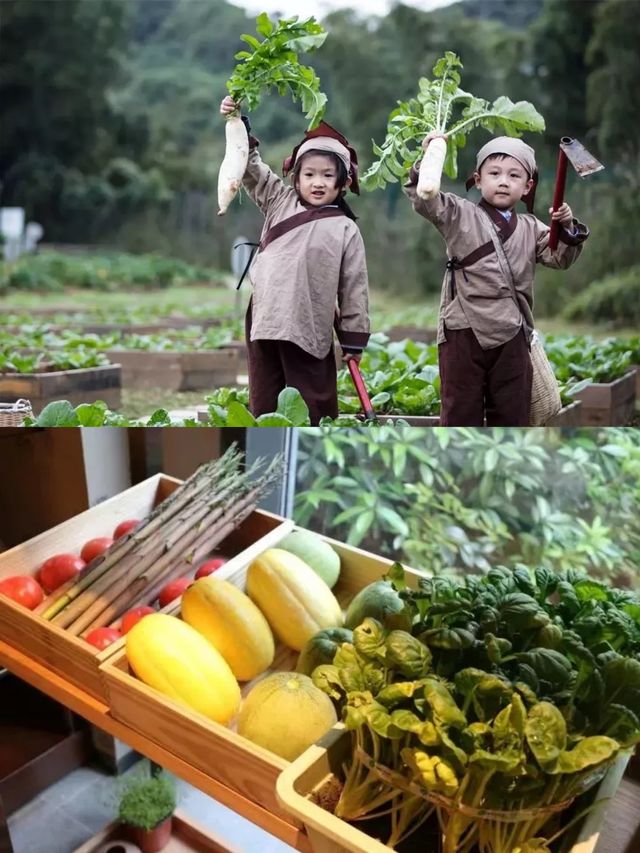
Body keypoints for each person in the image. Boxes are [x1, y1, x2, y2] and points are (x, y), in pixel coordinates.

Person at [404, 134, 589, 426]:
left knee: (511, 416)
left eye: (514, 175)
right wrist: (428, 159)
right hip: (463, 329)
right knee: (460, 415)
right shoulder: (458, 214)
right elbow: (426, 199)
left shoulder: (532, 227)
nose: (503, 181)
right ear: (478, 180)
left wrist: (566, 226)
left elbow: (559, 258)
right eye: (494, 173)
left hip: (512, 334)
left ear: (527, 186)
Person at [220, 96, 370, 425]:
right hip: (266, 317)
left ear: (342, 181)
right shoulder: (279, 200)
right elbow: (251, 168)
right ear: (296, 177)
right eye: (310, 174)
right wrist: (237, 122)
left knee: (313, 400)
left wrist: (353, 338)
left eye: (327, 176)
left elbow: (354, 289)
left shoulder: (345, 229)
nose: (317, 182)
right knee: (265, 400)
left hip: (309, 321)